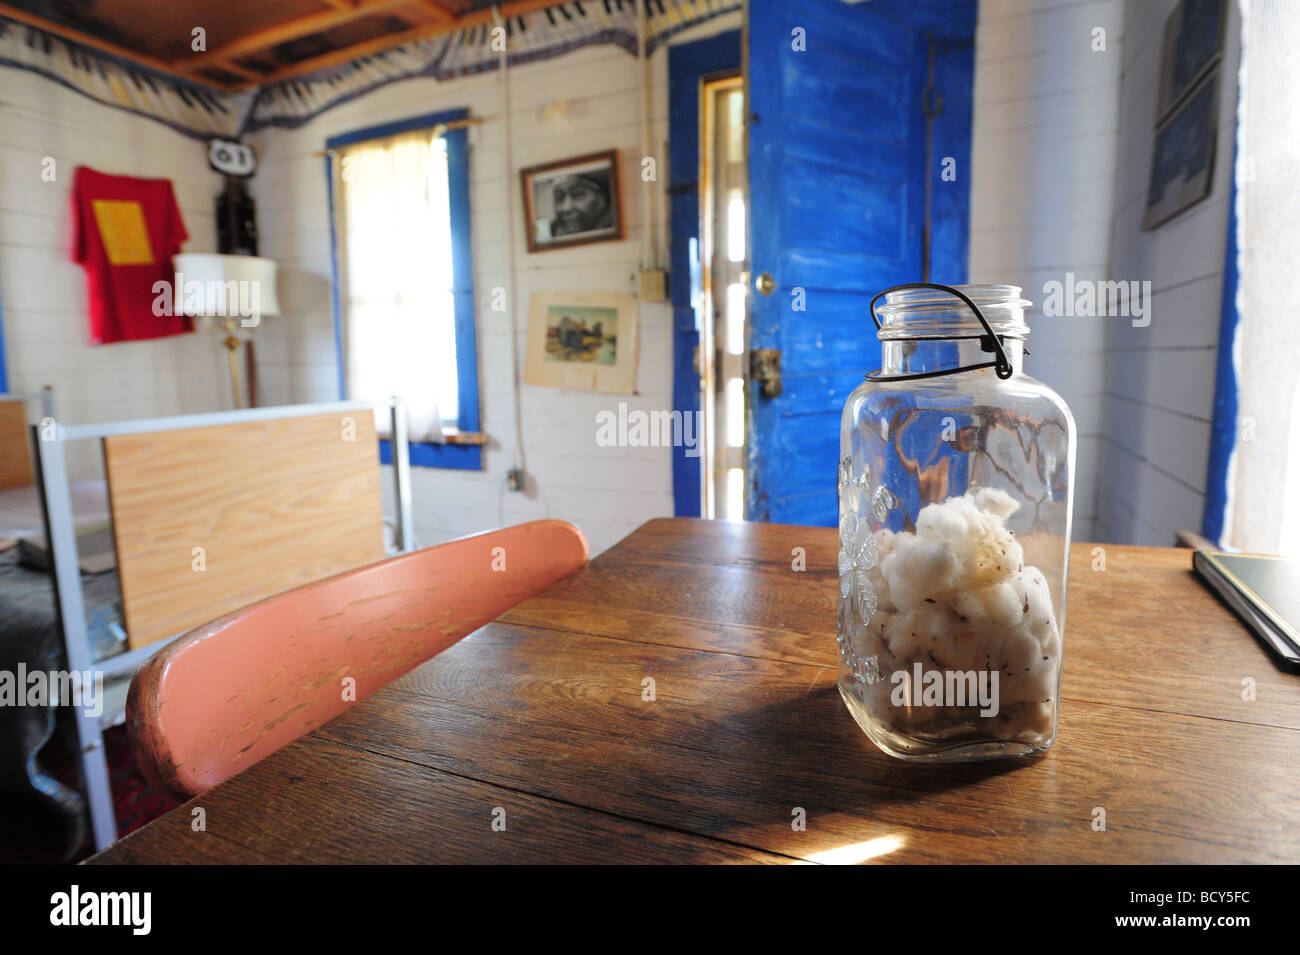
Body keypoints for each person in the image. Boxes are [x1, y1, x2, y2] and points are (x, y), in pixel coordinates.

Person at [549, 168, 613, 237]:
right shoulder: (549, 233)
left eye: (578, 195)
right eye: (559, 198)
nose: (566, 208)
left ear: (602, 197)